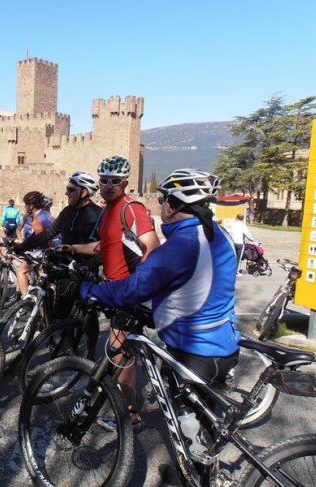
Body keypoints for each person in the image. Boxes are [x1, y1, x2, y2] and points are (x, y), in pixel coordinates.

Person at [74, 170, 240, 481]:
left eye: (163, 199)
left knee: (187, 423)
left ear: (173, 205)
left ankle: (200, 476)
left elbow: (132, 289)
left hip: (194, 350)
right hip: (225, 343)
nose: (161, 205)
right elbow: (199, 285)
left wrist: (88, 290)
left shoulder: (180, 246)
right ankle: (194, 474)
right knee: (199, 427)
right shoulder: (221, 235)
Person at [61, 156, 160, 430]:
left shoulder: (131, 208)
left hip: (128, 292)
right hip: (116, 289)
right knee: (123, 351)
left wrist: (138, 285)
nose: (108, 185)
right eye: (104, 180)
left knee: (119, 355)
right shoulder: (108, 211)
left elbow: (152, 246)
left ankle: (131, 416)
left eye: (115, 181)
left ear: (125, 183)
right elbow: (102, 247)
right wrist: (70, 249)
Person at [13, 171, 102, 273]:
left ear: (84, 192)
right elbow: (49, 233)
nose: (66, 193)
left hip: (86, 273)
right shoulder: (67, 211)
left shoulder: (98, 215)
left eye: (70, 190)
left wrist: (87, 267)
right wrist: (21, 247)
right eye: (67, 189)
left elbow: (107, 248)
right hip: (64, 267)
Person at [13, 191, 55, 296]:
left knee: (20, 270)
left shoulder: (37, 219)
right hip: (57, 250)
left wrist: (21, 247)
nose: (25, 207)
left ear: (31, 206)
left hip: (46, 252)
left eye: (26, 204)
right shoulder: (47, 215)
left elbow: (38, 239)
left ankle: (26, 300)